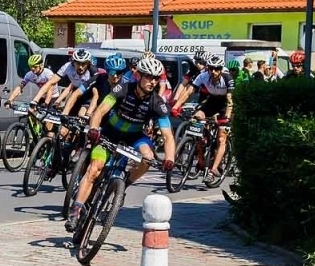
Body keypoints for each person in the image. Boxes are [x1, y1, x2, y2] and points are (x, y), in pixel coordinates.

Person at [67, 55, 176, 231]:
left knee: (148, 157)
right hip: (110, 134)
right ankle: (76, 210)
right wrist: (94, 129)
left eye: (156, 78)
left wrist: (169, 158)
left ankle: (124, 183)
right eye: (149, 77)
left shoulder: (157, 102)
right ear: (139, 76)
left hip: (134, 137)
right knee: (95, 168)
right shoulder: (122, 88)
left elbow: (168, 136)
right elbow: (100, 111)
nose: (153, 82)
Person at [170, 51, 233, 180]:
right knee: (196, 119)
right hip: (211, 101)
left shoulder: (227, 78)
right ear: (208, 68)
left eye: (217, 69)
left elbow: (230, 100)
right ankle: (200, 153)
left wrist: (226, 117)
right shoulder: (203, 75)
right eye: (211, 69)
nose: (214, 72)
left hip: (225, 104)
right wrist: (176, 106)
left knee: (221, 139)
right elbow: (188, 91)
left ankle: (213, 170)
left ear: (221, 69)